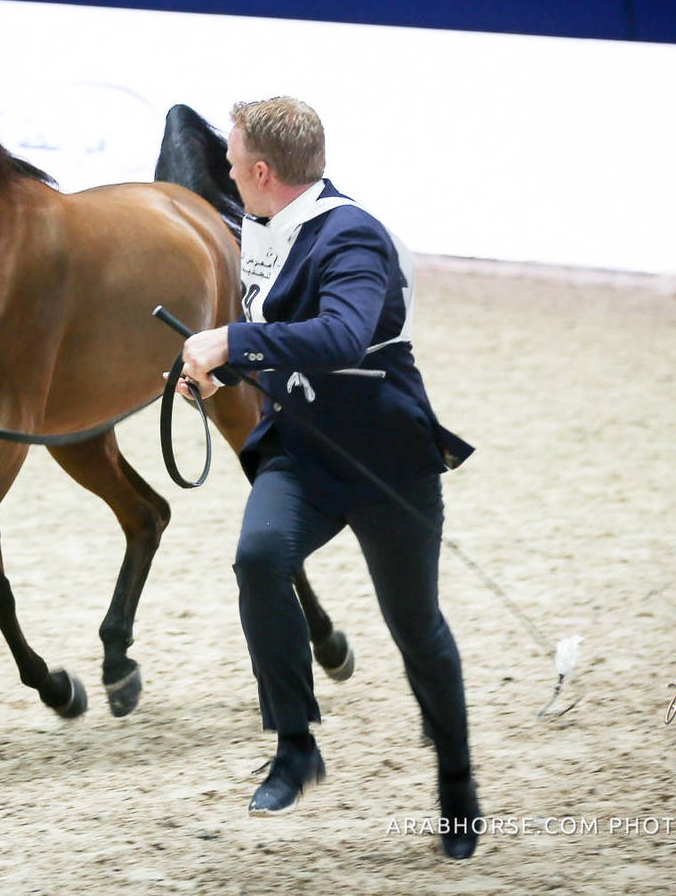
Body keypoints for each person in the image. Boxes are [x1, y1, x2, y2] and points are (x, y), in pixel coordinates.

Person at [176, 97, 481, 859]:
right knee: (258, 557)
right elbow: (281, 337)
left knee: (417, 628)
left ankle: (456, 779)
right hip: (305, 448)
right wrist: (223, 370)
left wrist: (230, 339)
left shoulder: (352, 235)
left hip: (385, 457)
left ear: (261, 171)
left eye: (233, 158)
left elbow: (343, 332)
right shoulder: (264, 224)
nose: (226, 170)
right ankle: (295, 743)